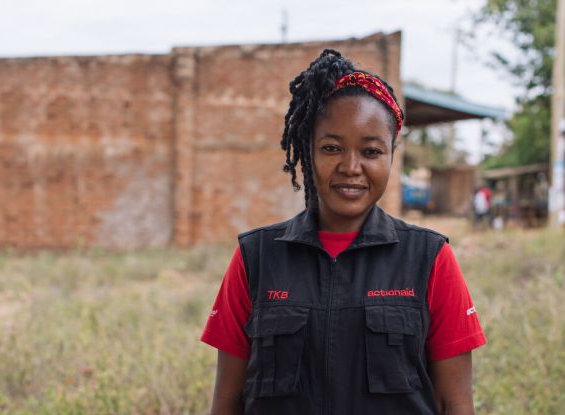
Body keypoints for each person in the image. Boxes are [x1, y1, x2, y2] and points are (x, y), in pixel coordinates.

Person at [201, 49, 486, 415]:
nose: (351, 167)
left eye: (371, 151)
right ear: (307, 151)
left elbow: (456, 403)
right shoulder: (256, 257)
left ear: (391, 156)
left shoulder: (429, 259)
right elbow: (227, 401)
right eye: (332, 148)